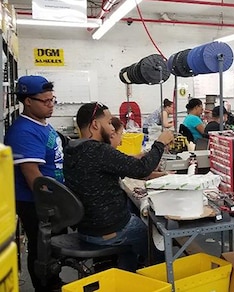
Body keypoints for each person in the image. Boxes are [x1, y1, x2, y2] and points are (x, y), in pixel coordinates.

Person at [63, 102, 174, 271]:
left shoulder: (73, 149)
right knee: (158, 241)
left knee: (131, 242)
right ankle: (162, 275)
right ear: (95, 125)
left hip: (86, 228)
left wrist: (143, 157)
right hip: (110, 230)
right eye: (109, 123)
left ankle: (127, 276)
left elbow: (119, 166)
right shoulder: (99, 151)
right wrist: (159, 143)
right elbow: (141, 169)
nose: (112, 128)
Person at [4, 75, 64, 292]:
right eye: (46, 101)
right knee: (43, 252)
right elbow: (34, 178)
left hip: (49, 198)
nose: (51, 105)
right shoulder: (24, 131)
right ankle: (46, 288)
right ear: (28, 101)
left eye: (53, 99)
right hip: (36, 202)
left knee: (52, 248)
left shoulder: (41, 124)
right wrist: (53, 207)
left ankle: (54, 283)